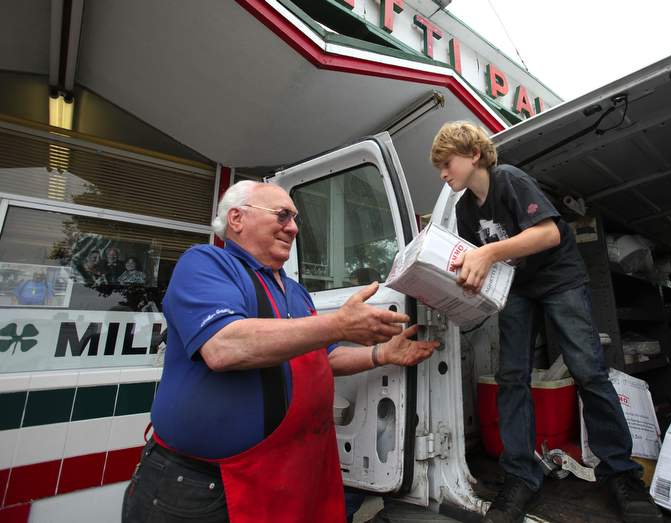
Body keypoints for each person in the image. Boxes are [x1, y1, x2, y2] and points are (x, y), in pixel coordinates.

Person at [122, 180, 438, 523]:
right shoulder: (207, 263)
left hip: (287, 479)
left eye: (295, 218)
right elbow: (223, 346)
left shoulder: (296, 292)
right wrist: (338, 326)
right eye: (283, 215)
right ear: (237, 219)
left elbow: (326, 358)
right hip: (203, 488)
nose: (294, 227)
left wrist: (381, 355)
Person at [429, 122, 662, 523]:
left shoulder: (509, 180)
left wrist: (488, 254)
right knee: (511, 377)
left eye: (446, 163)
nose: (443, 173)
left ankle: (620, 474)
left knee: (588, 371)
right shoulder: (465, 210)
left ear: (472, 155)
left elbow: (550, 233)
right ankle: (521, 474)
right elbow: (484, 262)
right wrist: (467, 283)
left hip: (560, 279)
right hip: (517, 289)